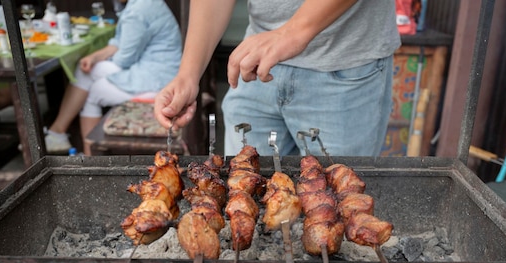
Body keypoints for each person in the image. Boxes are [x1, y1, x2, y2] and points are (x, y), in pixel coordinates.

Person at [153, 0, 401, 157]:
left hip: (344, 64)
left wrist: (293, 32)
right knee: (244, 200)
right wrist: (188, 73)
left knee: (337, 212)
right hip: (253, 67)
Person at [44, 0, 182, 154]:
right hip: (154, 71)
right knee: (86, 71)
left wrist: (99, 60)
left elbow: (125, 59)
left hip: (157, 81)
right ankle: (60, 134)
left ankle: (90, 159)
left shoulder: (138, 11)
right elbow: (119, 43)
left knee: (93, 91)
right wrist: (94, 58)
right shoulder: (143, 3)